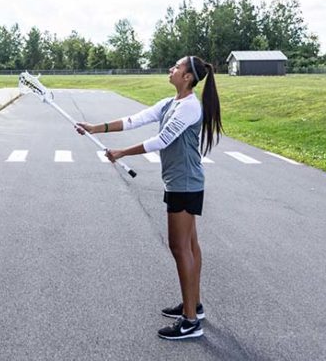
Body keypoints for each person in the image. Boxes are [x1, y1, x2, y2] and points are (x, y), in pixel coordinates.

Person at [75, 55, 222, 340]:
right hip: (181, 182)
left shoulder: (190, 107)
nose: (171, 69)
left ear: (187, 77)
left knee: (180, 247)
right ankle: (193, 305)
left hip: (185, 184)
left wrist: (121, 152)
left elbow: (162, 140)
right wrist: (96, 127)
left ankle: (190, 321)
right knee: (190, 246)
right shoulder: (171, 103)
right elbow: (135, 120)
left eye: (176, 67)